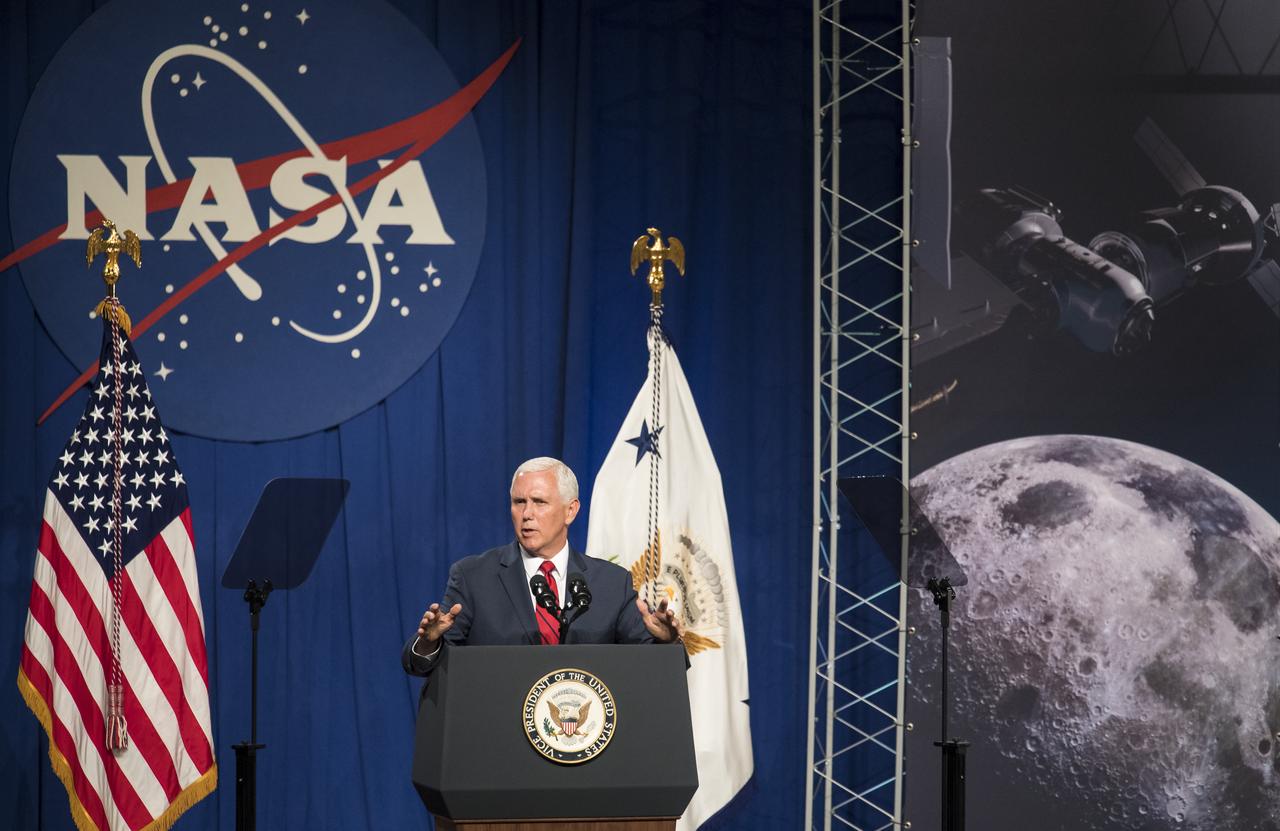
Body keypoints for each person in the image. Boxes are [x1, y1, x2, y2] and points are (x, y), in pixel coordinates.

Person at [401, 457, 681, 679]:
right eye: (519, 502)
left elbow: (651, 667)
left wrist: (668, 642)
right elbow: (423, 665)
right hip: (498, 736)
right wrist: (428, 643)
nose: (526, 514)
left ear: (570, 511)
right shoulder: (473, 577)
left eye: (539, 502)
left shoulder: (610, 583)